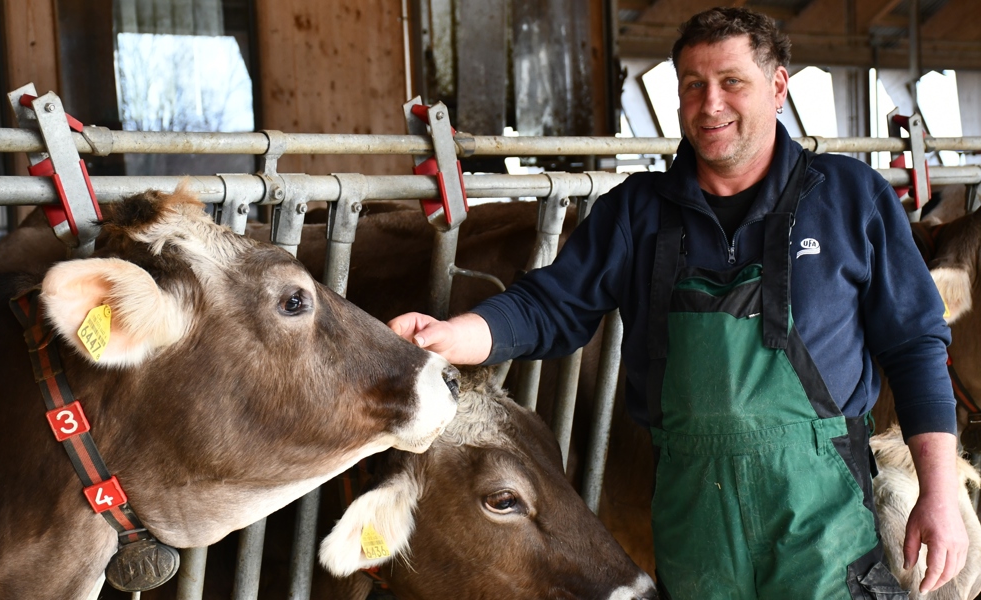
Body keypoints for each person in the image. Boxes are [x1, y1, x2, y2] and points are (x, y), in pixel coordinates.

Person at [389, 6, 969, 600]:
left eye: (731, 82)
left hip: (821, 524)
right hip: (695, 529)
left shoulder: (850, 198)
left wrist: (940, 495)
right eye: (693, 85)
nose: (710, 103)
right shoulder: (638, 212)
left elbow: (915, 347)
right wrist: (453, 335)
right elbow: (549, 307)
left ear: (777, 86)